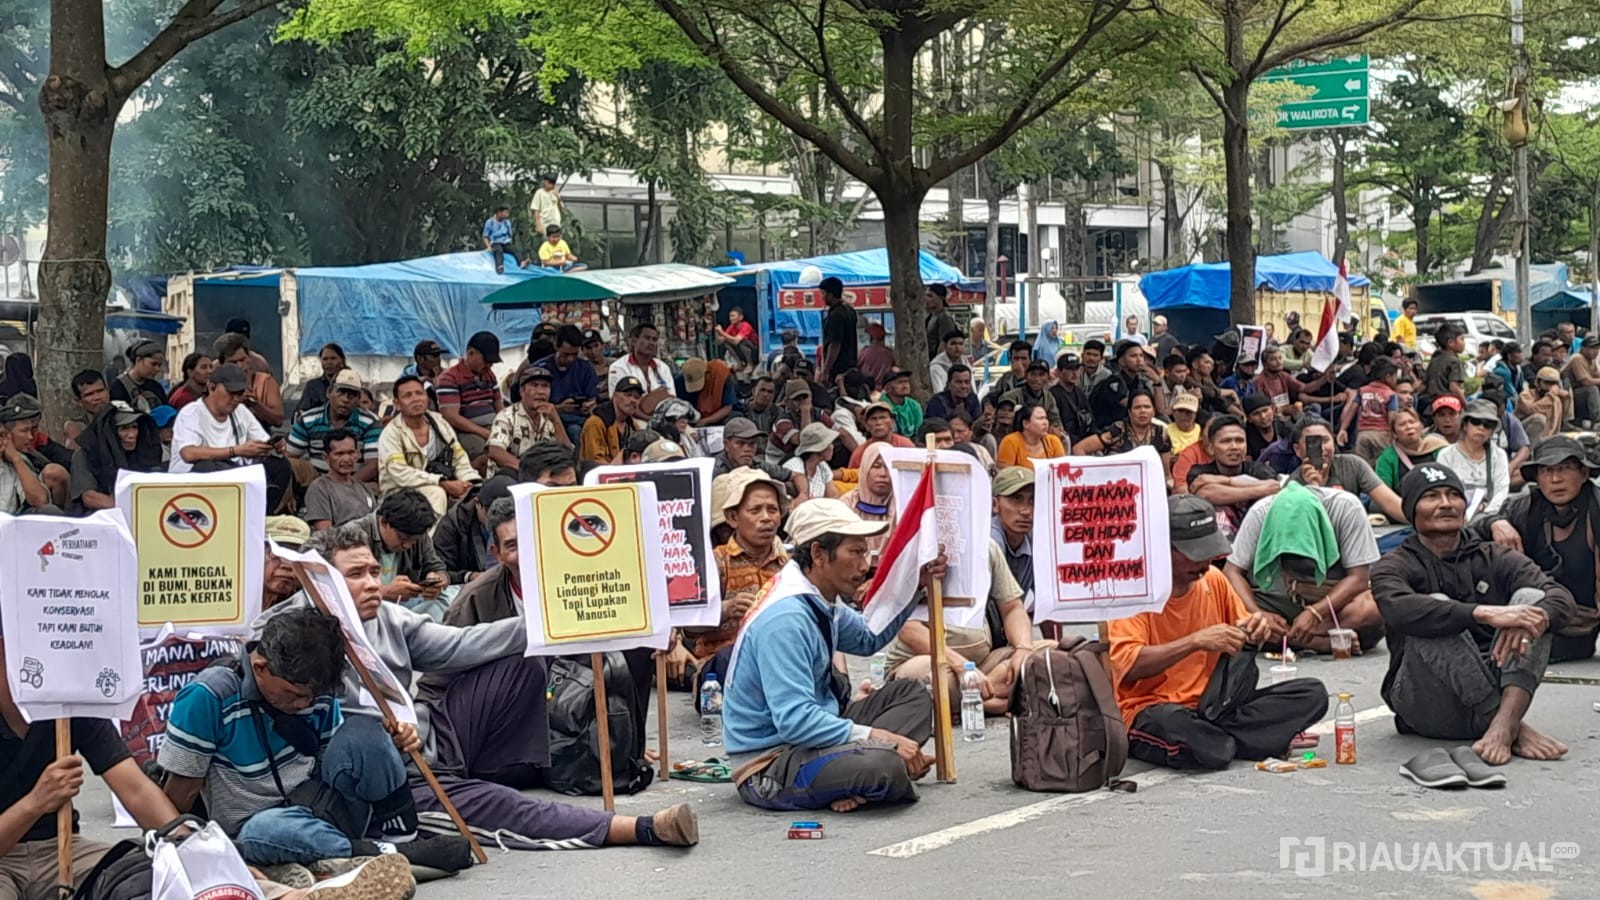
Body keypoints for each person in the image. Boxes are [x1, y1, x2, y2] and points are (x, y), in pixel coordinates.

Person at [406, 505, 700, 850]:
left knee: (627, 648)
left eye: (530, 544)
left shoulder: (573, 580)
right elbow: (437, 682)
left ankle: (618, 752)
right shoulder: (474, 599)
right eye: (513, 546)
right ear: (496, 553)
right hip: (472, 735)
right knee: (522, 663)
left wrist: (663, 633)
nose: (524, 556)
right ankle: (635, 826)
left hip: (566, 706)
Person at [160, 606, 464, 872]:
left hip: (321, 805)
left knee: (367, 733)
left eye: (312, 697)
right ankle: (387, 855)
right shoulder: (209, 696)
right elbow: (179, 795)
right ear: (260, 668)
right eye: (294, 696)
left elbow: (336, 756)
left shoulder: (315, 689)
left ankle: (399, 839)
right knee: (265, 832)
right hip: (255, 826)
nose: (304, 705)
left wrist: (395, 739)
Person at [0, 630, 300, 898]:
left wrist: (200, 854)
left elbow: (136, 790)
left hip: (61, 849)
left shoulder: (68, 703)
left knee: (159, 874)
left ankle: (287, 894)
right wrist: (35, 804)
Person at [723, 499, 942, 812]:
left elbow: (869, 638)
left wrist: (915, 585)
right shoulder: (786, 619)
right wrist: (881, 738)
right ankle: (867, 775)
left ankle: (854, 777)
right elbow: (795, 721)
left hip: (815, 739)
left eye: (865, 553)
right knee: (882, 765)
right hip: (773, 763)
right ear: (818, 554)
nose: (864, 565)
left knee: (913, 694)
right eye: (855, 553)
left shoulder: (822, 601)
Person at [1373, 464, 1572, 766]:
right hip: (1427, 706)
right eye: (1432, 496)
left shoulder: (1492, 555)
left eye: (1454, 495)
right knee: (1435, 607)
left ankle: (1503, 724)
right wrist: (1483, 613)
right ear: (1412, 509)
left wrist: (1534, 616)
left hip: (1494, 683)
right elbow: (1397, 607)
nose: (1445, 503)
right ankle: (1508, 724)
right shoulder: (1394, 564)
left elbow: (1561, 599)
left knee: (1532, 602)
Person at [1110, 495, 1329, 770]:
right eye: (1194, 554)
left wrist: (1256, 631)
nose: (1204, 563)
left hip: (1215, 706)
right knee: (1185, 731)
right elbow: (1128, 666)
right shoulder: (1134, 592)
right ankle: (1247, 741)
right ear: (1164, 549)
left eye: (1208, 553)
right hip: (1152, 708)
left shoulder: (1213, 579)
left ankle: (1227, 742)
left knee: (1311, 693)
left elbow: (1244, 630)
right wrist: (1193, 642)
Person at [886, 530, 1043, 718]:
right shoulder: (915, 550)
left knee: (1050, 654)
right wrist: (960, 666)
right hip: (927, 662)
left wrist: (1023, 649)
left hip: (983, 665)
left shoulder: (985, 546)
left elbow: (1012, 608)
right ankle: (999, 698)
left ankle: (979, 699)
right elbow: (906, 628)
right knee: (935, 681)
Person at [1476, 437, 1600, 662]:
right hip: (1528, 606)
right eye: (1547, 470)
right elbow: (1470, 533)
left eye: (1565, 469)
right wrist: (1495, 523)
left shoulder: (1596, 508)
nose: (1555, 479)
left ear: (1583, 474)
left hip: (1578, 623)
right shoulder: (1526, 506)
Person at [1223, 479, 1384, 653]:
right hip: (1274, 603)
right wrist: (1257, 614)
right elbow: (1231, 572)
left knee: (1375, 607)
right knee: (1222, 611)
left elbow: (1359, 578)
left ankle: (1288, 640)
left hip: (1331, 606)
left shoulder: (1346, 507)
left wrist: (1315, 612)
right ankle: (1316, 643)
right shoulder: (1260, 513)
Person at [690, 468, 791, 663]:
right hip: (723, 664)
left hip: (777, 660)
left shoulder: (788, 566)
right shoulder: (715, 562)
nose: (766, 518)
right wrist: (726, 609)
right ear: (733, 518)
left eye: (773, 510)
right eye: (755, 510)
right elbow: (689, 625)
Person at [169, 364, 293, 509]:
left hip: (234, 474)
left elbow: (261, 440)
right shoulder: (191, 413)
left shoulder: (241, 411)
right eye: (230, 393)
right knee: (208, 466)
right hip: (189, 483)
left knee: (280, 465)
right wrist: (236, 451)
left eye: (240, 394)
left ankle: (260, 516)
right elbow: (188, 453)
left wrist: (271, 446)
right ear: (212, 388)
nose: (235, 399)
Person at [377, 375, 479, 517]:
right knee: (436, 493)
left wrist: (469, 482)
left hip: (439, 484)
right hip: (398, 494)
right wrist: (441, 482)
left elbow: (458, 457)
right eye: (408, 395)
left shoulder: (439, 422)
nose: (415, 399)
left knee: (479, 493)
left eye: (419, 393)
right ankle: (433, 539)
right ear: (397, 404)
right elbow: (400, 473)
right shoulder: (391, 434)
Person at [1289, 417, 1406, 524]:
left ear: (1334, 443)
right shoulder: (1292, 485)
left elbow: (1390, 502)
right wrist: (1313, 487)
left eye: (1325, 441)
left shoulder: (1353, 464)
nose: (1322, 448)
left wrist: (1418, 520)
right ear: (1297, 449)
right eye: (1313, 443)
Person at [1187, 414, 1279, 538]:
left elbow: (1273, 487)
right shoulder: (1199, 472)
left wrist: (1226, 481)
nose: (1234, 447)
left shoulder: (1259, 470)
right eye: (1226, 441)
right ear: (1211, 448)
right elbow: (1206, 494)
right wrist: (1259, 489)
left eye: (1239, 441)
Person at [287, 368, 380, 487]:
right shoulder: (307, 419)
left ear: (358, 399)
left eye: (352, 395)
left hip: (355, 480)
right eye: (340, 392)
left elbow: (372, 465)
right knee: (288, 464)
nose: (345, 399)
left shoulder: (370, 422)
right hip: (316, 479)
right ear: (329, 392)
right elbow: (290, 456)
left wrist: (342, 487)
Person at [70, 401, 164, 511]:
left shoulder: (143, 454)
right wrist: (133, 509)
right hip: (99, 517)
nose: (132, 435)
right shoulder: (84, 454)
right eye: (124, 428)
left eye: (135, 427)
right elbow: (90, 498)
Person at [486, 366, 568, 477]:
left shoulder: (550, 418)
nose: (540, 392)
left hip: (540, 478)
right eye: (534, 386)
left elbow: (567, 454)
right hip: (508, 478)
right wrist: (529, 472)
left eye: (545, 386)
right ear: (522, 391)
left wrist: (556, 420)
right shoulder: (507, 416)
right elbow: (495, 451)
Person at [435, 330, 504, 461]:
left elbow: (499, 406)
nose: (490, 365)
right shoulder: (449, 378)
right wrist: (484, 432)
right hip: (467, 432)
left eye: (492, 362)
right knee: (486, 456)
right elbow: (451, 417)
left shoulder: (489, 375)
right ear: (471, 353)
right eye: (486, 361)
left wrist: (504, 426)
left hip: (493, 427)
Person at [1074, 389, 1173, 478]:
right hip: (1115, 484)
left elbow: (1166, 474)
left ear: (1153, 411)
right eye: (1137, 407)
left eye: (1147, 407)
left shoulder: (1162, 434)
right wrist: (1092, 476)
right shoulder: (1117, 430)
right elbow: (1079, 449)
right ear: (1129, 412)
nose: (1142, 411)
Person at [1436, 399, 1511, 517]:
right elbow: (1443, 490)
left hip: (1489, 517)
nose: (1481, 427)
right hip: (1455, 515)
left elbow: (1501, 491)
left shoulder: (1499, 455)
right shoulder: (1446, 455)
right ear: (1465, 425)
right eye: (1476, 422)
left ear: (1492, 432)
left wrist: (1487, 515)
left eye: (1488, 425)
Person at [303, 429, 377, 530]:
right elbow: (325, 534)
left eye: (351, 453)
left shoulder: (364, 488)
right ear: (326, 457)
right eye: (339, 454)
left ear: (358, 455)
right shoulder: (319, 488)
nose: (346, 459)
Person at [214, 332, 286, 430]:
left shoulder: (265, 381)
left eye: (242, 360)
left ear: (249, 357)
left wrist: (254, 403)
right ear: (221, 364)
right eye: (233, 362)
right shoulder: (213, 385)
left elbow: (278, 420)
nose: (239, 366)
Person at [1338, 356, 1399, 465]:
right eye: (1395, 376)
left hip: (1363, 434)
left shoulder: (1362, 391)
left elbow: (1351, 411)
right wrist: (1395, 434)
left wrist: (1343, 429)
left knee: (1363, 466)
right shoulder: (1391, 395)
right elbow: (1392, 417)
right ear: (1388, 376)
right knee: (1383, 463)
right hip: (1383, 434)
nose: (1396, 380)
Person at [839, 443, 895, 558]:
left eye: (888, 467)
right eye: (876, 466)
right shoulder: (847, 504)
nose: (883, 474)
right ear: (865, 469)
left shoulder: (902, 506)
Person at [1373, 408, 1449, 492]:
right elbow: (1383, 491)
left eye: (1412, 422)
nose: (1409, 427)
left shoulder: (1439, 447)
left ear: (1421, 426)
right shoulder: (1387, 458)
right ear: (1394, 433)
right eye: (1402, 424)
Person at [579, 375, 646, 464]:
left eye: (637, 397)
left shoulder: (634, 427)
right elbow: (594, 461)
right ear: (614, 395)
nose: (633, 400)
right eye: (628, 395)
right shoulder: (596, 423)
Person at [710, 416, 789, 485]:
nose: (747, 449)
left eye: (752, 443)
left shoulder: (757, 463)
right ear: (726, 445)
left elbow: (795, 475)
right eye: (740, 443)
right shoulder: (712, 470)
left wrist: (801, 495)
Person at [608, 322, 675, 397]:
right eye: (647, 338)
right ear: (634, 341)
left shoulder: (663, 368)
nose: (651, 343)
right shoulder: (618, 367)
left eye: (654, 339)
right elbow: (621, 401)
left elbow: (672, 398)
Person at [1002, 358, 1064, 433]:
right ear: (1026, 376)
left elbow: (1056, 420)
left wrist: (1055, 428)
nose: (1037, 379)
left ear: (1048, 378)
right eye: (1033, 374)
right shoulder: (1011, 396)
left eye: (1041, 375)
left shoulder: (1048, 397)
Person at [997, 403, 1066, 469]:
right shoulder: (1010, 441)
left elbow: (1062, 471)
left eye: (1046, 418)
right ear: (1026, 424)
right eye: (1040, 418)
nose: (1045, 423)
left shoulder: (1053, 441)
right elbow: (1005, 476)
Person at [784, 423, 839, 501]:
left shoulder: (823, 467)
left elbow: (834, 497)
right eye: (829, 444)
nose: (832, 447)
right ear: (819, 449)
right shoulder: (794, 467)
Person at [110, 340, 170, 412]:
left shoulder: (156, 387)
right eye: (153, 364)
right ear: (138, 360)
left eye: (159, 365)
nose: (157, 369)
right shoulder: (119, 387)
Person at [817, 276, 858, 381]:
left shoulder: (836, 315)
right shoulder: (849, 310)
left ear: (830, 294)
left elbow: (835, 344)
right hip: (851, 368)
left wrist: (825, 371)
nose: (822, 297)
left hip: (838, 370)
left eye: (823, 293)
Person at [676, 358, 736, 426]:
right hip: (694, 417)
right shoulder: (680, 380)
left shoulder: (722, 375)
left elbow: (728, 407)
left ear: (707, 373)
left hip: (719, 416)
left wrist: (705, 421)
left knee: (733, 420)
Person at [295, 343, 349, 417]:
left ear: (342, 360)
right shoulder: (313, 386)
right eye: (325, 359)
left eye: (333, 358)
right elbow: (300, 413)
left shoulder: (351, 383)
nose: (329, 362)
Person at [1517, 365, 1569, 442]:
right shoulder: (1525, 395)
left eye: (1553, 384)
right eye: (1546, 382)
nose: (1549, 387)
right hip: (1521, 434)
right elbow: (1532, 409)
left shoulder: (1554, 400)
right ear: (1538, 382)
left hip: (1546, 437)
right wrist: (1551, 395)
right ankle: (1530, 451)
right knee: (1539, 419)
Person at [64, 370, 112, 450]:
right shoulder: (76, 427)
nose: (97, 397)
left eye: (100, 391)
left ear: (108, 391)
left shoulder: (124, 417)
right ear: (79, 401)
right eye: (89, 394)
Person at [1423, 324, 1468, 409]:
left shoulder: (1435, 357)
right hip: (1447, 405)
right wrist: (1466, 406)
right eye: (1462, 339)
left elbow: (1425, 384)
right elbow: (1454, 387)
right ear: (1451, 343)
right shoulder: (1454, 361)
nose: (1464, 343)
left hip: (1431, 404)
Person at [1563, 334, 1600, 426]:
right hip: (1568, 395)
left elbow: (1597, 376)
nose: (1595, 351)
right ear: (1583, 348)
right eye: (1592, 348)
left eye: (1597, 348)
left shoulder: (1592, 360)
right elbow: (1586, 382)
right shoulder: (1578, 358)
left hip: (1580, 393)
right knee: (1592, 389)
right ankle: (1596, 420)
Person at [879, 368, 922, 438]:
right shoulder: (881, 407)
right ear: (887, 388)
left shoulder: (914, 405)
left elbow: (919, 432)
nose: (905, 386)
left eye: (906, 382)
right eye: (900, 382)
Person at [401, 339, 446, 406]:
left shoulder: (446, 374)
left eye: (439, 355)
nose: (438, 359)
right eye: (434, 356)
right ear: (420, 359)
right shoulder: (408, 374)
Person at [715, 307, 759, 372]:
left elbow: (736, 341)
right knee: (727, 342)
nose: (730, 318)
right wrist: (717, 332)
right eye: (730, 316)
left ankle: (750, 364)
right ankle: (739, 363)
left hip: (754, 351)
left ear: (741, 317)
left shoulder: (746, 326)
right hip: (742, 351)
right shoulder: (731, 327)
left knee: (742, 342)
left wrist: (722, 332)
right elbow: (721, 342)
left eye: (733, 316)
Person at [483, 204, 524, 273]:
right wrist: (489, 247)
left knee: (515, 250)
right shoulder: (490, 222)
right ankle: (499, 266)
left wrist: (509, 242)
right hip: (495, 242)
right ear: (499, 212)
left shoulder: (507, 223)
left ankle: (521, 262)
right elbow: (485, 236)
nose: (507, 215)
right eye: (505, 212)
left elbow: (509, 235)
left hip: (505, 242)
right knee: (499, 251)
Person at [854, 321, 897, 386]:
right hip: (885, 388)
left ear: (871, 337)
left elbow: (855, 367)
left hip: (868, 388)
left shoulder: (864, 352)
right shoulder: (889, 353)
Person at [924, 285, 959, 361]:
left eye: (930, 296)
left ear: (941, 298)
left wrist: (937, 363)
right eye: (926, 296)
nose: (926, 299)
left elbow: (944, 344)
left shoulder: (944, 318)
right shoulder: (930, 316)